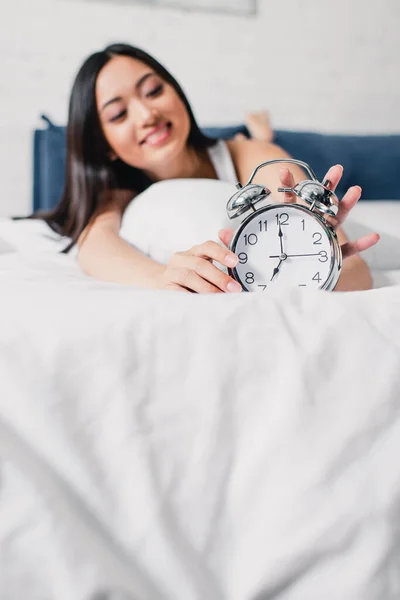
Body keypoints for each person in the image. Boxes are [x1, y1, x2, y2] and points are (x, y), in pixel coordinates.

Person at [35, 43, 379, 293]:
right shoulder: (116, 194)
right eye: (118, 114)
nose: (146, 115)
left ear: (177, 93)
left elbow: (355, 271)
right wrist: (163, 278)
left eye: (153, 91)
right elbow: (94, 245)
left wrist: (320, 261)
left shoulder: (251, 156)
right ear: (104, 146)